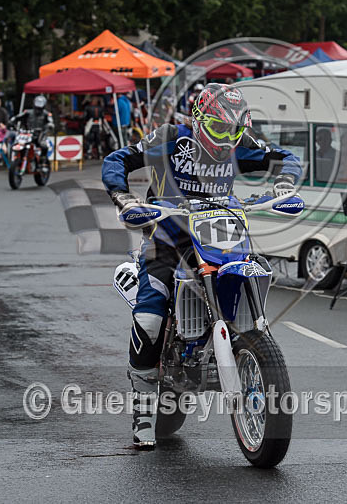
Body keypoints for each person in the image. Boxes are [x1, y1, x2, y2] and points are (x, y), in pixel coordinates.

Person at [102, 83, 302, 449]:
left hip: (222, 230)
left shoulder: (238, 143)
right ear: (198, 119)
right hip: (169, 234)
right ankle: (144, 410)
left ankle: (246, 344)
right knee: (149, 317)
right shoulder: (169, 138)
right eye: (220, 129)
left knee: (251, 272)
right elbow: (118, 159)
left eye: (235, 131)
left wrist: (283, 184)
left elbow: (284, 156)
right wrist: (123, 196)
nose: (227, 140)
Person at [9, 95, 55, 168]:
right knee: (17, 143)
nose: (38, 109)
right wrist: (12, 121)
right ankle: (18, 158)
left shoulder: (47, 114)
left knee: (43, 145)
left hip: (40, 133)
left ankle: (43, 161)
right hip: (27, 132)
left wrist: (50, 125)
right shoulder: (27, 112)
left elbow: (51, 122)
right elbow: (17, 117)